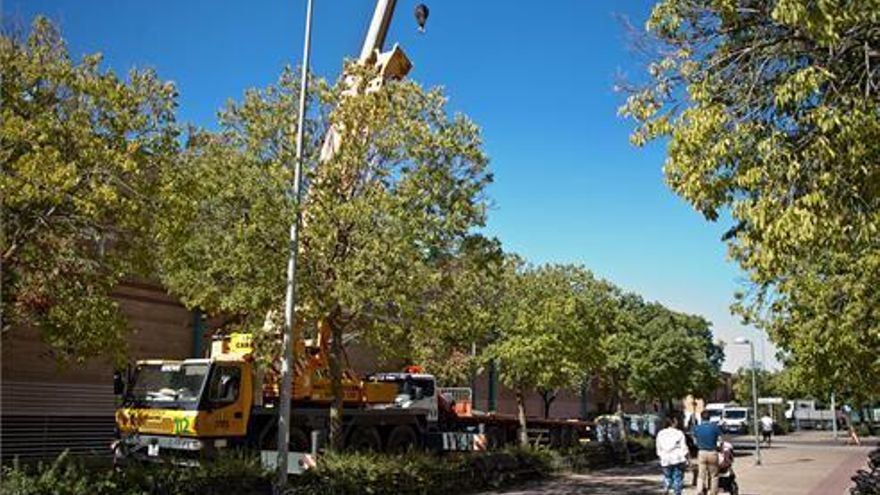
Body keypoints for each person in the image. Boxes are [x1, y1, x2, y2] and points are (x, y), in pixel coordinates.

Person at [656, 414, 689, 495]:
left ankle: (666, 487)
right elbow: (683, 447)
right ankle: (676, 492)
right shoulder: (679, 433)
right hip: (677, 458)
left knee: (667, 476)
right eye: (676, 420)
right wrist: (687, 458)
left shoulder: (660, 433)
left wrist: (661, 455)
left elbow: (658, 447)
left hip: (665, 458)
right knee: (677, 477)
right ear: (673, 422)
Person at [693, 409, 723, 495]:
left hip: (701, 452)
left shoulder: (697, 428)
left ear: (701, 418)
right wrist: (719, 448)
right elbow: (720, 440)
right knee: (714, 475)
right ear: (710, 418)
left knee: (701, 474)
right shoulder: (715, 427)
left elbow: (694, 441)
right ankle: (713, 492)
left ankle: (700, 490)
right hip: (712, 452)